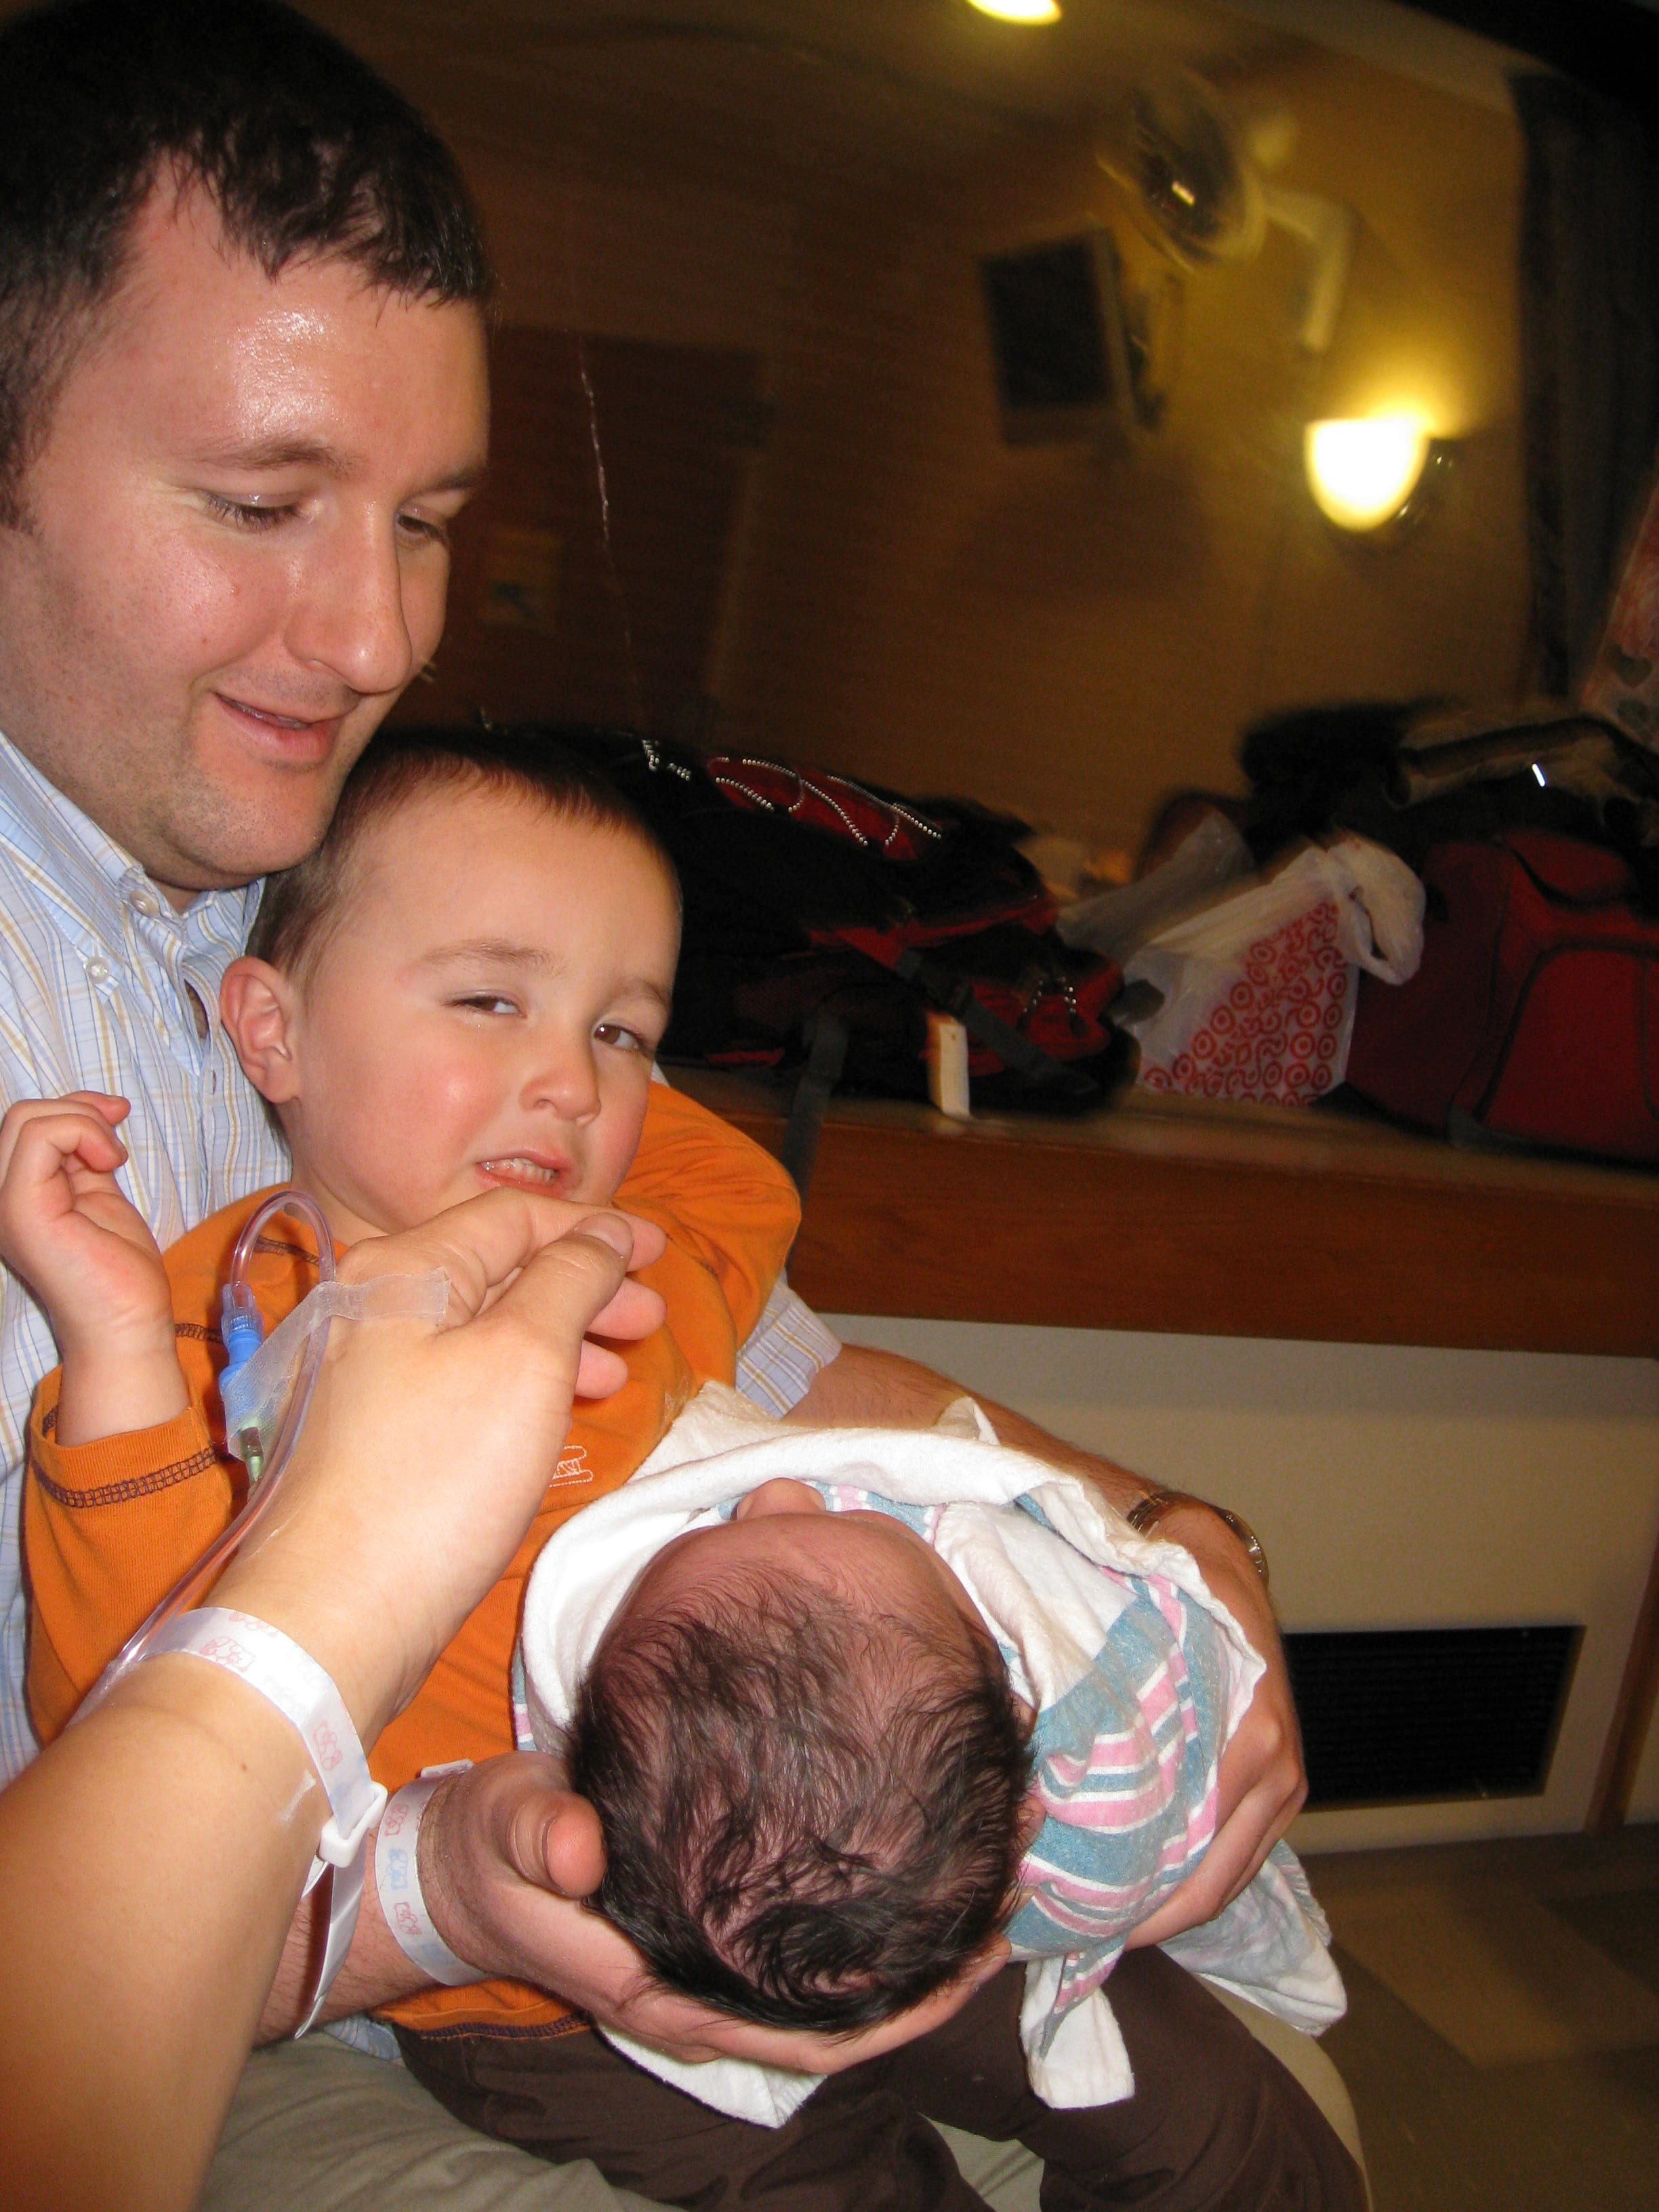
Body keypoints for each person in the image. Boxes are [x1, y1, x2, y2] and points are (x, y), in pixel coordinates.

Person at [0, 3, 1325, 2205]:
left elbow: (779, 1374)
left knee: (1239, 2098)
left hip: (639, 1856)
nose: (376, 636)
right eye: (259, 502)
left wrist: (1173, 1540)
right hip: (291, 2004)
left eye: (426, 519)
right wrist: (435, 1888)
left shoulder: (312, 870)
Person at [375, 1385, 1352, 2211]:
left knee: (1229, 2139)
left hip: (915, 1898)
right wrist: (439, 1890)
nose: (781, 1486)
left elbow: (806, 1365)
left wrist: (1180, 1531)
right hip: (534, 2015)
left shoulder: (953, 1793)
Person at [0, 1178, 759, 2212]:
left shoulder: (641, 1259)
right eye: (486, 1010)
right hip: (527, 2009)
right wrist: (120, 1345)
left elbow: (737, 1191)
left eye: (617, 1067)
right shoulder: (236, 1310)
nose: (571, 1095)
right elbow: (116, 1695)